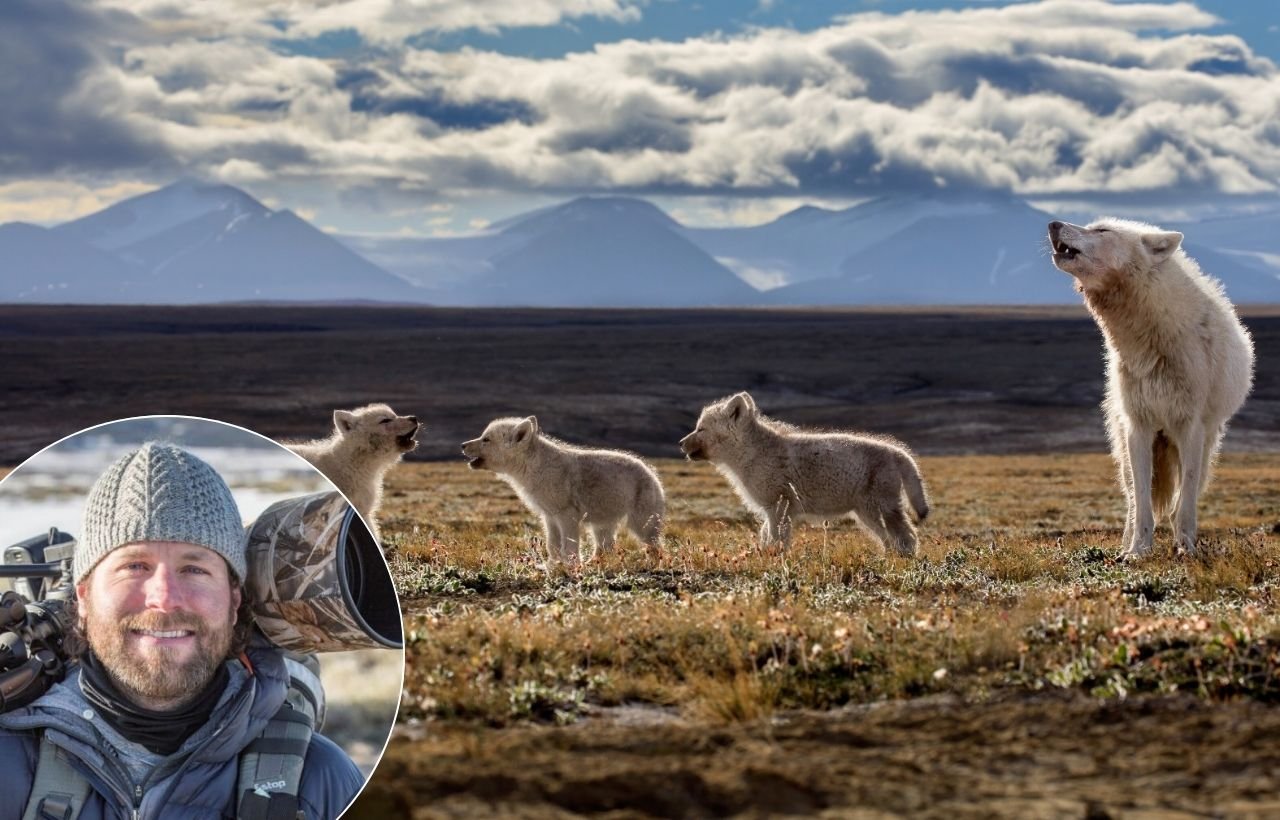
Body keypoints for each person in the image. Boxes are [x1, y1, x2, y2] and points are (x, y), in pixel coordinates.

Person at [0, 442, 365, 819]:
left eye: (195, 569)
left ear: (235, 598)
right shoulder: (7, 763)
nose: (165, 598)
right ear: (84, 597)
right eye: (134, 567)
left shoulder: (318, 782)